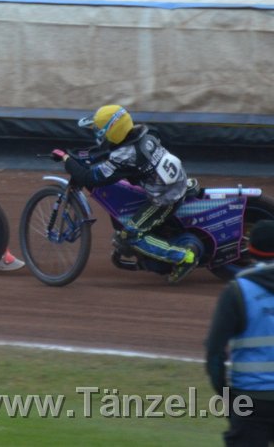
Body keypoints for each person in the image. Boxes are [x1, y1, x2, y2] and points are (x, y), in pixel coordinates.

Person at [51, 104, 198, 284]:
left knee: (130, 235)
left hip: (165, 198)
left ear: (112, 131)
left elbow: (90, 178)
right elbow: (107, 151)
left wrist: (66, 159)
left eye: (100, 131)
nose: (99, 135)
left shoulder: (126, 156)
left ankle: (183, 257)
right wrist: (77, 154)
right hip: (176, 182)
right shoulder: (146, 134)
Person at [205, 219, 274, 446]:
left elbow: (214, 353)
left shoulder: (237, 290)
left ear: (250, 250)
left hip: (250, 399)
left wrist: (227, 397)